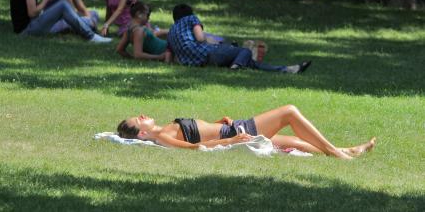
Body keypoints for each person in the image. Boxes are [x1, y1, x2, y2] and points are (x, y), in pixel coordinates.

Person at [117, 104, 376, 159]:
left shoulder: (166, 129)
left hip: (233, 127)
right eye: (138, 120)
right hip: (239, 130)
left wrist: (218, 121)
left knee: (296, 142)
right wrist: (231, 139)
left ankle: (346, 150)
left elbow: (199, 133)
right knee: (289, 112)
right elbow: (196, 147)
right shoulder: (162, 136)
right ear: (141, 134)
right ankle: (339, 154)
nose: (142, 116)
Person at [166, 4, 311, 73]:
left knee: (249, 62)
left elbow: (169, 57)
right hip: (208, 55)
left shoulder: (171, 31)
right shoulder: (191, 18)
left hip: (197, 64)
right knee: (245, 52)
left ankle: (289, 69)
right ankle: (235, 67)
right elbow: (199, 38)